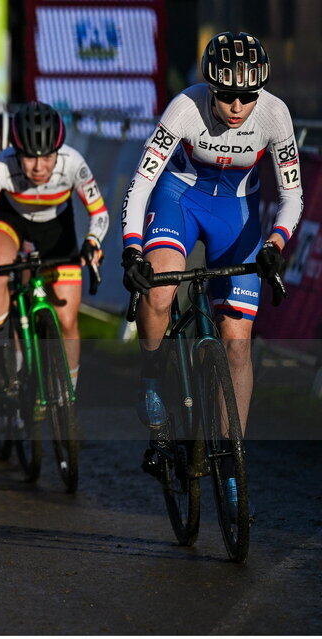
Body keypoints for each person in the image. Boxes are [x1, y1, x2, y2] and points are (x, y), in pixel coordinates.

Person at [119, 33, 300, 512]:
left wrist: (276, 243)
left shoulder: (274, 114)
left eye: (247, 95)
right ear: (209, 87)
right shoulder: (184, 108)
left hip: (236, 212)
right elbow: (140, 185)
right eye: (226, 94)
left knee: (237, 340)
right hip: (178, 199)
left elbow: (292, 197)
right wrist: (132, 251)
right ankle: (153, 377)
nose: (238, 105)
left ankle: (231, 458)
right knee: (158, 292)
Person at [0, 101, 108, 394]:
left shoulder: (73, 162)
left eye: (47, 157)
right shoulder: (1, 166)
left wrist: (92, 241)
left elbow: (99, 214)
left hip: (56, 227)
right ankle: (3, 347)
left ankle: (68, 399)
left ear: (59, 150)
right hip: (10, 221)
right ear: (16, 151)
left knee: (68, 320)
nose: (40, 167)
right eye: (30, 158)